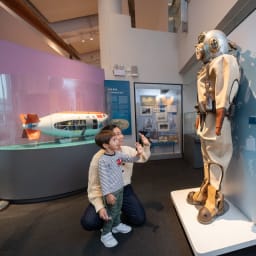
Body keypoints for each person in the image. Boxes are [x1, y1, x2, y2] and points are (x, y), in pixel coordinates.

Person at [186, 30, 240, 224]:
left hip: (217, 120)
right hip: (206, 119)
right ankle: (206, 190)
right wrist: (200, 118)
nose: (199, 49)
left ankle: (214, 200)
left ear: (214, 44)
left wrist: (219, 119)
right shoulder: (207, 66)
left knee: (217, 158)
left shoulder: (225, 61)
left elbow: (225, 93)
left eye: (203, 44)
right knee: (207, 158)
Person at [80, 124, 151, 231]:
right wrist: (100, 207)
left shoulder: (126, 150)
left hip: (124, 189)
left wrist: (146, 146)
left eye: (121, 133)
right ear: (107, 141)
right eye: (117, 135)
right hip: (105, 192)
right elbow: (93, 187)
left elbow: (141, 158)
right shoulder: (99, 158)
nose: (122, 136)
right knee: (89, 222)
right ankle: (112, 216)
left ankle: (118, 210)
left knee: (139, 219)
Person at [94, 129, 143, 247]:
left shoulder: (118, 154)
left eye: (117, 139)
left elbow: (132, 159)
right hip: (111, 193)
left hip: (121, 189)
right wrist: (108, 194)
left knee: (118, 209)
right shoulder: (103, 161)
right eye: (114, 140)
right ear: (105, 145)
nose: (118, 141)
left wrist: (138, 154)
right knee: (111, 212)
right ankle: (105, 234)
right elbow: (103, 179)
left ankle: (116, 226)